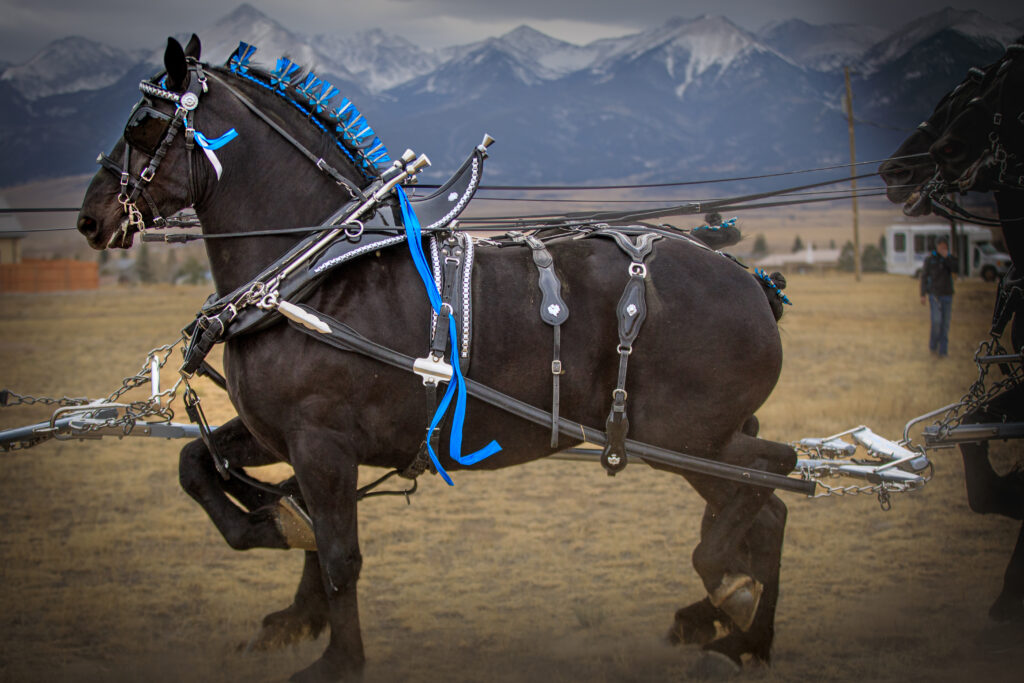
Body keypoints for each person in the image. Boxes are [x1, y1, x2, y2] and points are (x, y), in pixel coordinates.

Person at [920, 235, 956, 357]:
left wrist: (947, 258)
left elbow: (956, 269)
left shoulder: (950, 259)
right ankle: (933, 345)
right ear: (937, 246)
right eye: (941, 246)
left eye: (945, 246)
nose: (942, 248)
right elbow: (924, 276)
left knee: (945, 324)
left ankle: (943, 351)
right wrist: (923, 294)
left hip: (947, 295)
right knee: (936, 321)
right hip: (934, 295)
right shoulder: (930, 260)